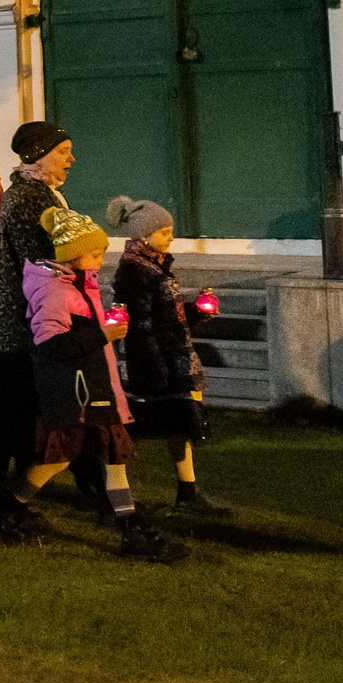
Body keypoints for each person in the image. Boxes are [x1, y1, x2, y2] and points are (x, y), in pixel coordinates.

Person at [17, 208, 184, 563]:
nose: (101, 260)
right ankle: (9, 506)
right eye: (94, 254)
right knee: (58, 459)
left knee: (114, 458)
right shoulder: (57, 292)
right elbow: (50, 346)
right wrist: (101, 334)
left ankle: (129, 528)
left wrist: (100, 332)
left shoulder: (80, 284)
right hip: (78, 393)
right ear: (73, 256)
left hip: (96, 389)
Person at [0, 121, 77, 541]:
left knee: (24, 418)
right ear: (39, 154)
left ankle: (11, 502)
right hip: (20, 327)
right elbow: (46, 259)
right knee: (13, 417)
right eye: (63, 151)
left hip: (30, 322)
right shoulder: (28, 199)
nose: (71, 158)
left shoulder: (40, 195)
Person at [106, 195, 227, 517]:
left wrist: (194, 311)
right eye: (164, 232)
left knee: (181, 422)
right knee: (143, 429)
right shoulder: (134, 271)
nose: (170, 237)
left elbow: (163, 315)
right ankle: (117, 495)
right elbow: (141, 324)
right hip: (158, 363)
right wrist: (155, 366)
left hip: (173, 358)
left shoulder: (154, 265)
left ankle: (187, 493)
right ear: (144, 236)